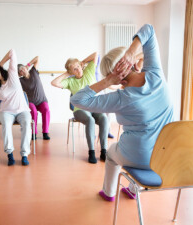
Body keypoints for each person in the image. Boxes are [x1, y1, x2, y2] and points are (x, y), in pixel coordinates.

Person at [70, 24, 174, 201]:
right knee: (146, 145)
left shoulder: (120, 98)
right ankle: (133, 189)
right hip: (167, 154)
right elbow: (148, 29)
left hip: (140, 156)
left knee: (111, 153)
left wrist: (106, 82)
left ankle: (109, 193)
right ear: (132, 62)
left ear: (113, 76)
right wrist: (132, 50)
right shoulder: (156, 74)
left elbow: (77, 100)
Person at [51, 52, 109, 164]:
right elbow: (54, 82)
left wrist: (82, 62)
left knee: (104, 119)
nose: (78, 70)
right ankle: (91, 152)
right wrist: (66, 74)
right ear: (71, 72)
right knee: (90, 120)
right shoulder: (70, 81)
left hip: (94, 107)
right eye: (74, 69)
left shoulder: (89, 71)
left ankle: (103, 151)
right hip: (80, 110)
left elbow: (95, 54)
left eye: (78, 67)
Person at [18, 56, 51, 140]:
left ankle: (45, 132)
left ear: (25, 68)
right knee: (33, 112)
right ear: (19, 74)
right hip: (31, 102)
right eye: (20, 71)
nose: (22, 71)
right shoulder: (20, 81)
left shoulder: (33, 72)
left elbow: (37, 58)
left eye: (22, 68)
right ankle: (33, 133)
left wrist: (28, 65)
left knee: (46, 110)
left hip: (42, 100)